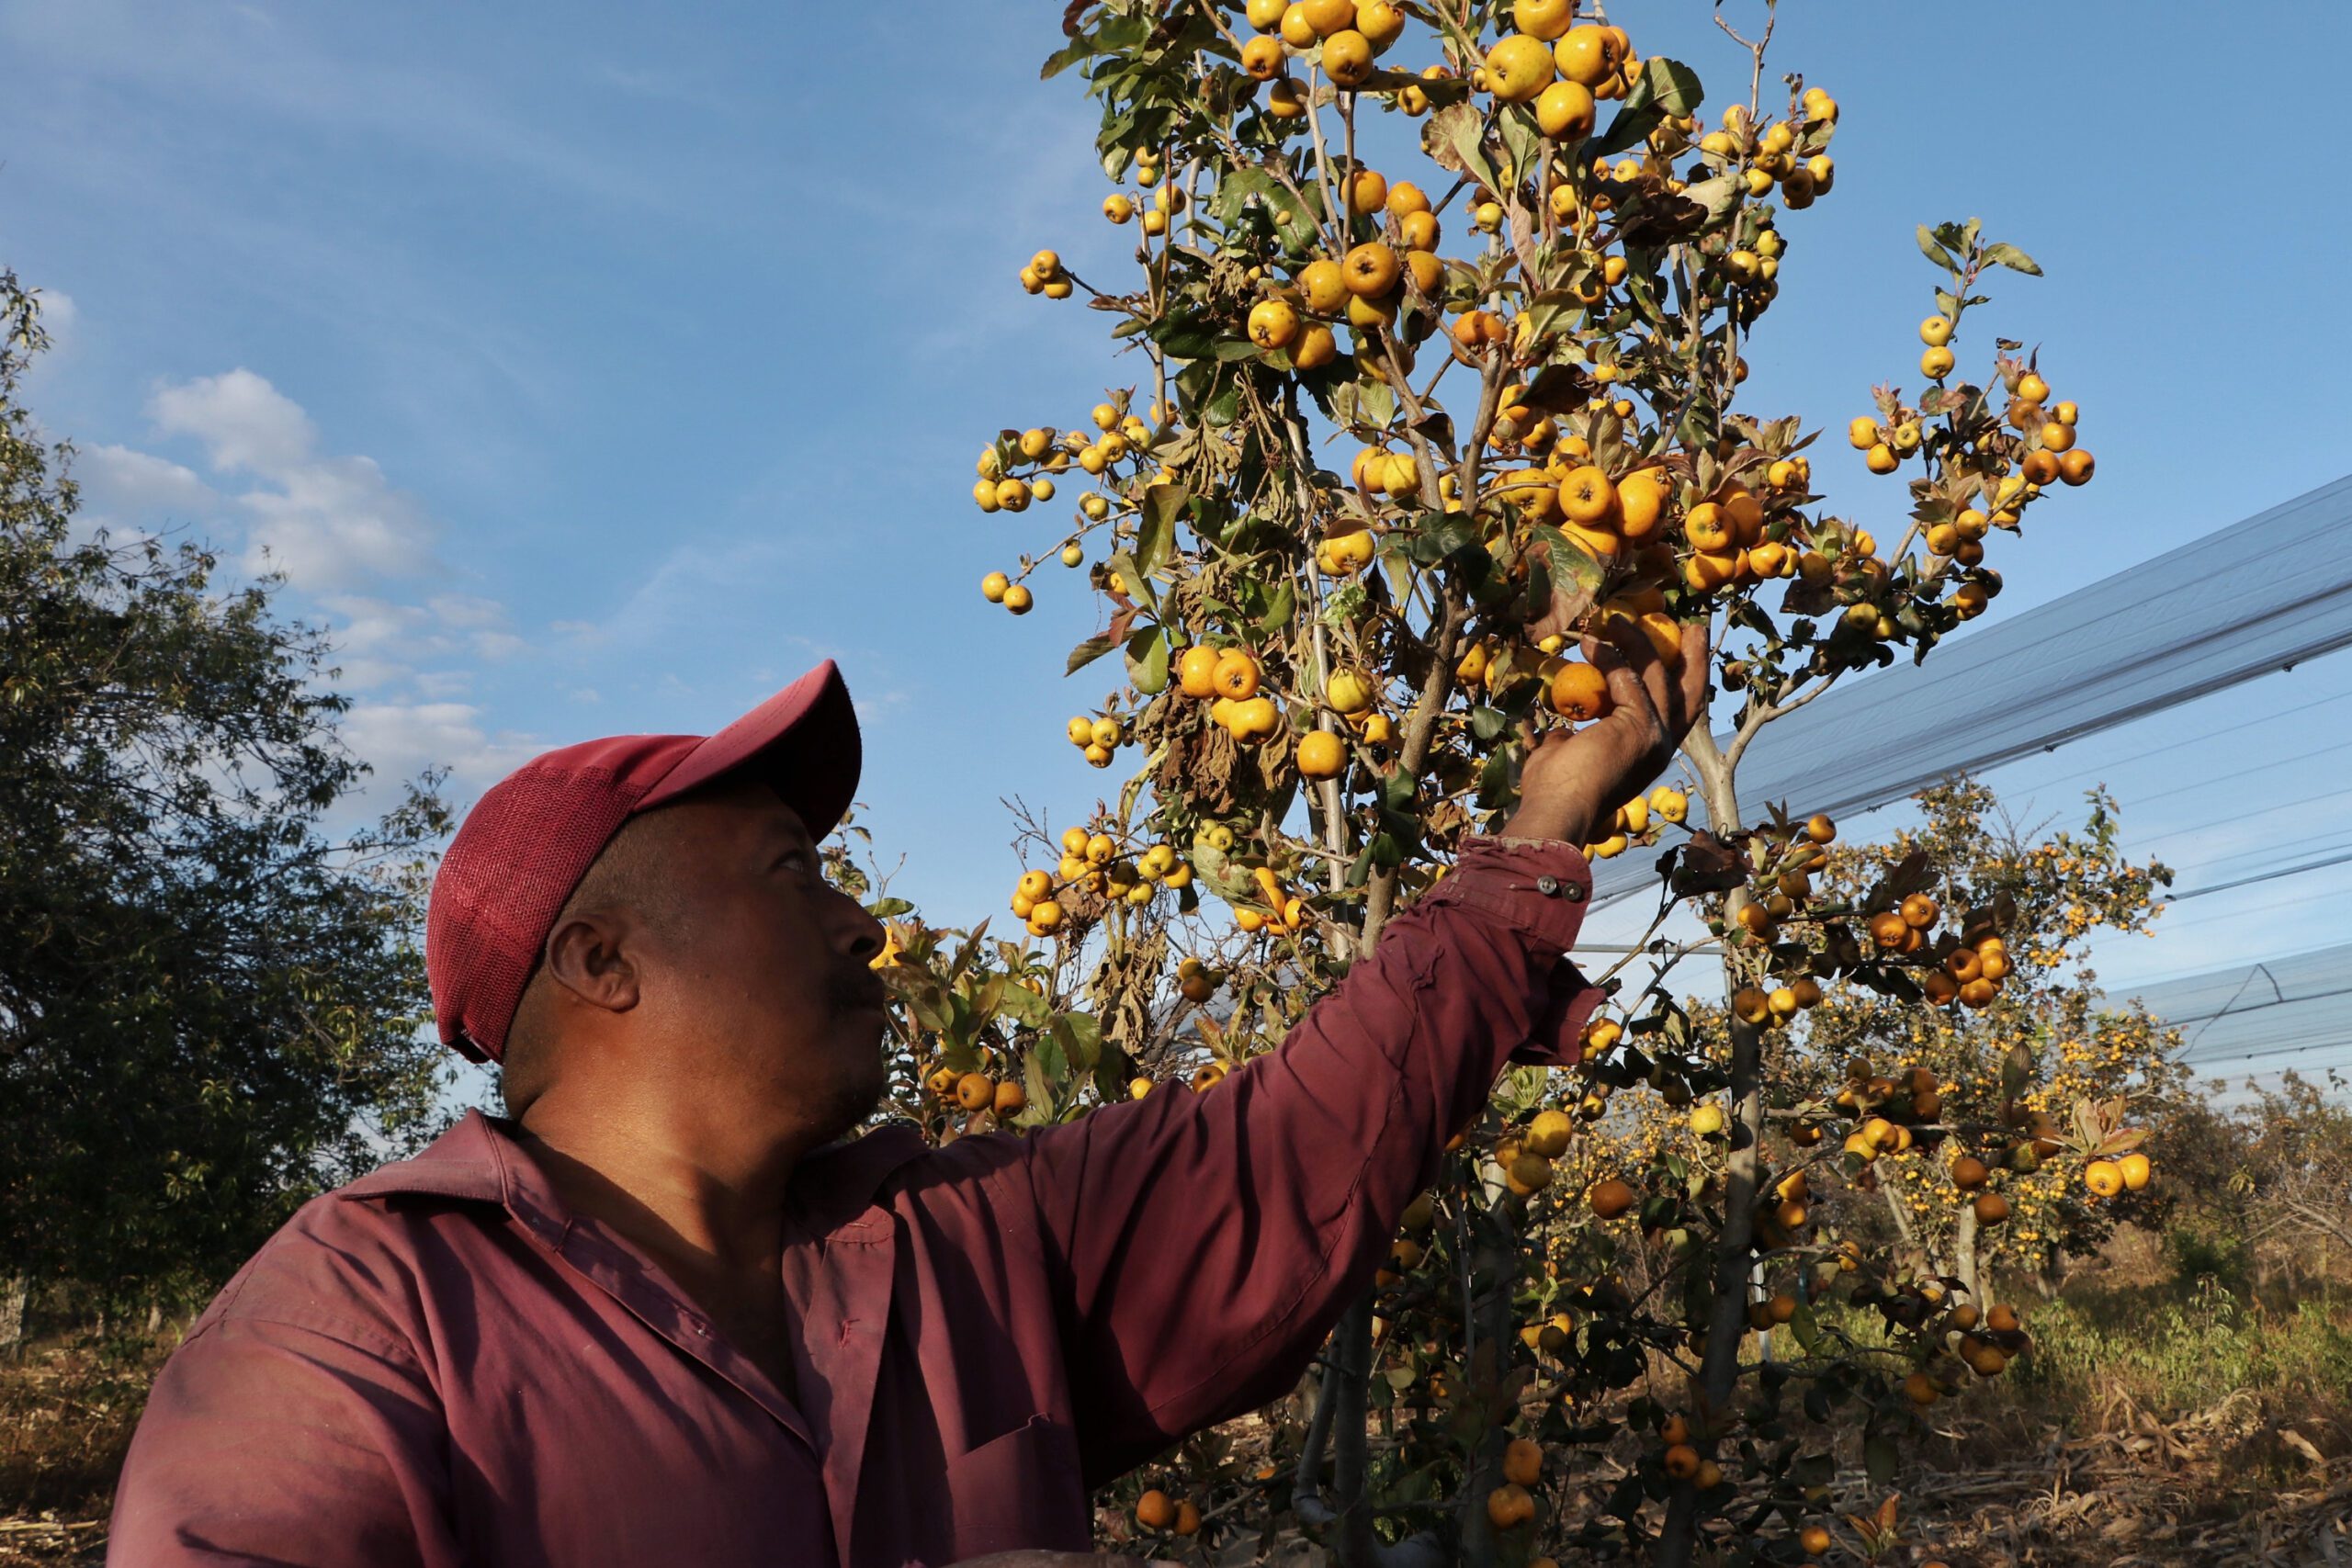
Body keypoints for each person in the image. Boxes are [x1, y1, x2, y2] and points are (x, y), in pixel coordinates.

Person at [108, 619, 1708, 1567]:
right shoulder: (354, 1329)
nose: (863, 921)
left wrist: (1538, 832)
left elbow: (1299, 1148)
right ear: (600, 962)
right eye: (791, 872)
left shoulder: (970, 1233)